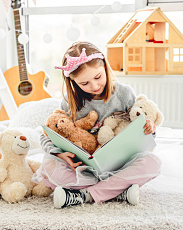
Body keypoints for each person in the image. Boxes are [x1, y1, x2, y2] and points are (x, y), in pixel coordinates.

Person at [36, 41, 161, 209]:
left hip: (121, 164)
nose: (94, 86)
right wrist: (59, 155)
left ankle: (85, 195)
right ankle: (116, 191)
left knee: (153, 162)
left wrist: (149, 129)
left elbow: (142, 135)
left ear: (105, 68)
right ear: (73, 82)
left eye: (98, 77)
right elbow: (48, 136)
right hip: (85, 170)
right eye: (84, 83)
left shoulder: (124, 94)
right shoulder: (69, 104)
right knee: (48, 166)